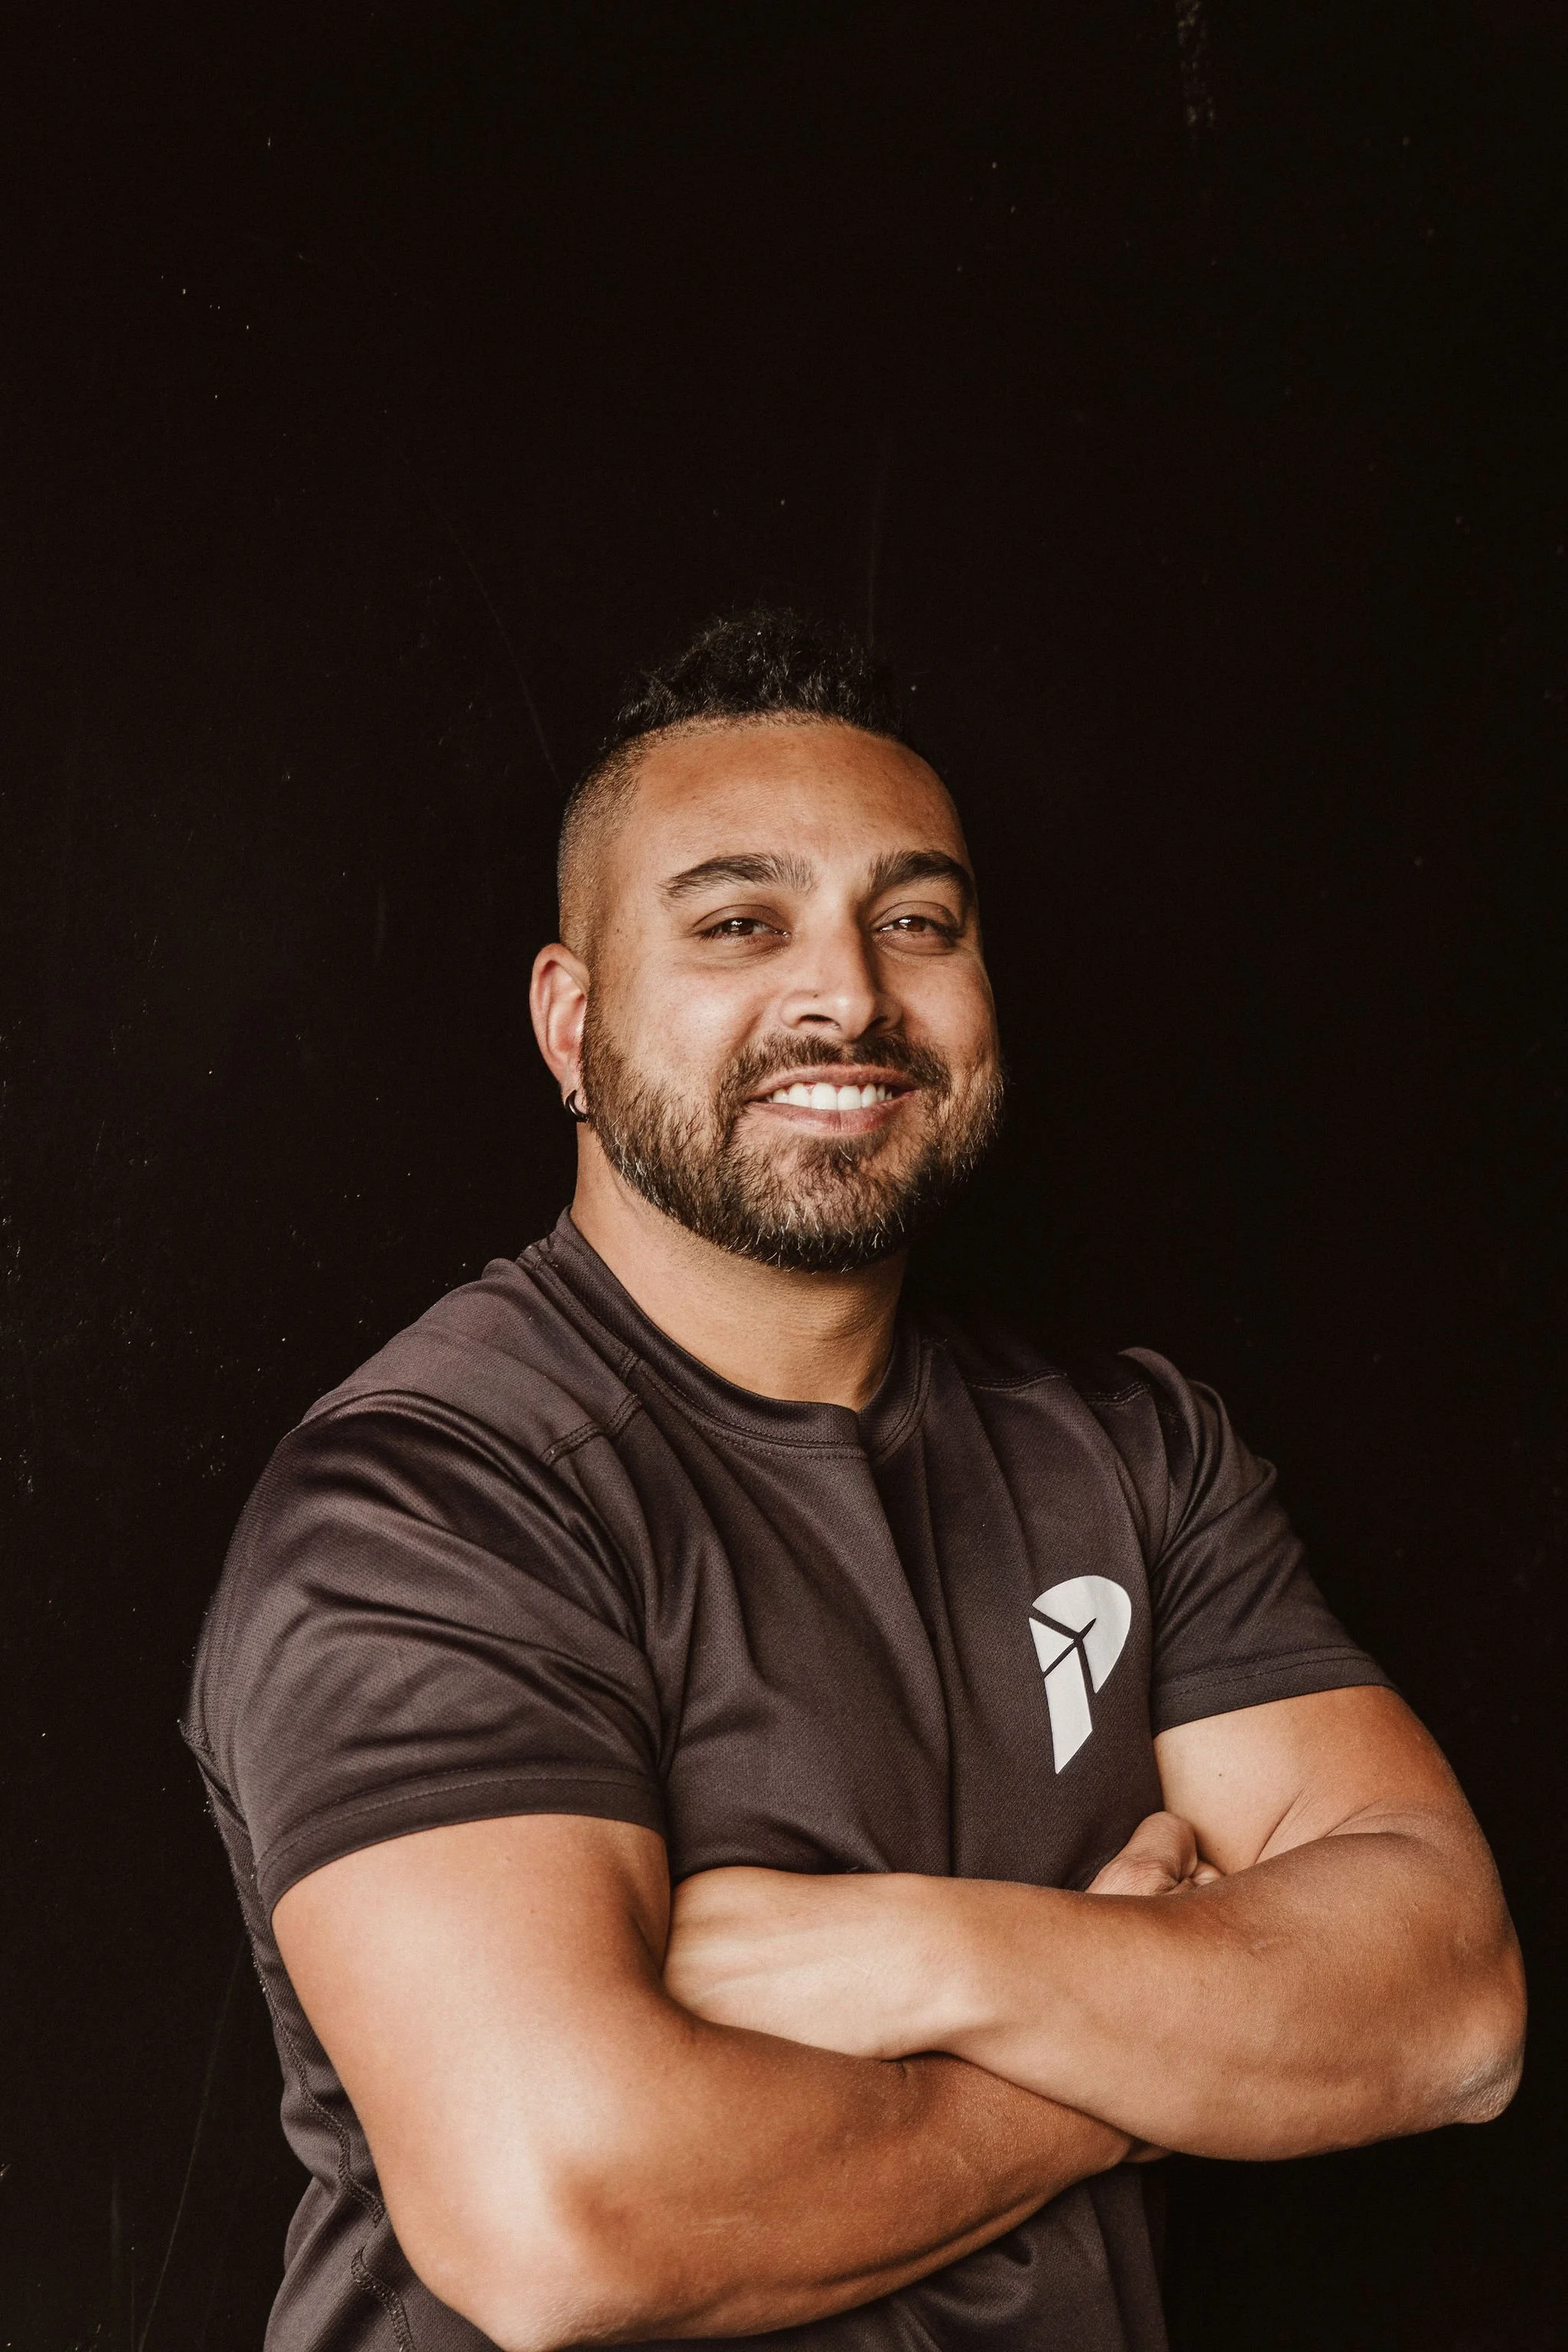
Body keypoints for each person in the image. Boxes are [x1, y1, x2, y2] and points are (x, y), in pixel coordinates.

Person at [185, 609, 1524, 2352]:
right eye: (740, 924)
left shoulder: (1135, 1452)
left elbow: (1450, 2007)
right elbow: (563, 2216)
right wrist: (1124, 2068)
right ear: (570, 1024)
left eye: (915, 922)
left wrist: (917, 1958)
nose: (849, 996)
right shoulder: (430, 1501)